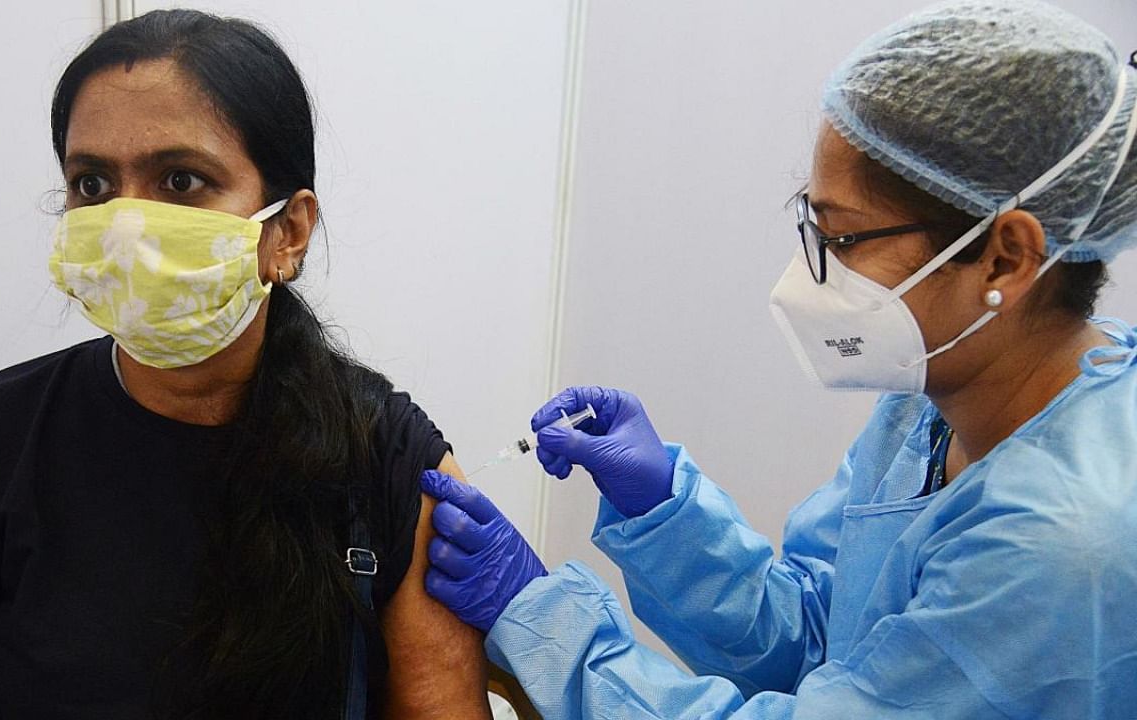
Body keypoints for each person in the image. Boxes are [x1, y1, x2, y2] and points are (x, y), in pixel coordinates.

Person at [418, 2, 1137, 718]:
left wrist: (543, 617)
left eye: (844, 240)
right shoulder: (932, 405)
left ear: (1005, 258)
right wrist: (664, 511)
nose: (810, 274)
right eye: (811, 225)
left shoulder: (1062, 545)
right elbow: (821, 642)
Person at [0, 10, 491, 720]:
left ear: (288, 231)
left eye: (181, 180)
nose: (127, 227)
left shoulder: (388, 456)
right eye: (92, 184)